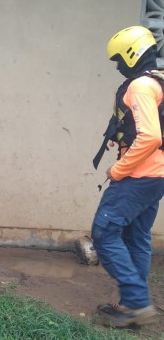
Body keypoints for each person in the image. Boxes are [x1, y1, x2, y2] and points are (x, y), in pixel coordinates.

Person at [91, 25, 164, 327]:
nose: (119, 67)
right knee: (137, 237)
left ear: (133, 55)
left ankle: (136, 304)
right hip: (157, 175)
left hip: (139, 175)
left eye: (119, 60)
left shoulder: (140, 87)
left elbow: (149, 137)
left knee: (104, 232)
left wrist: (118, 169)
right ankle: (131, 305)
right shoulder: (158, 81)